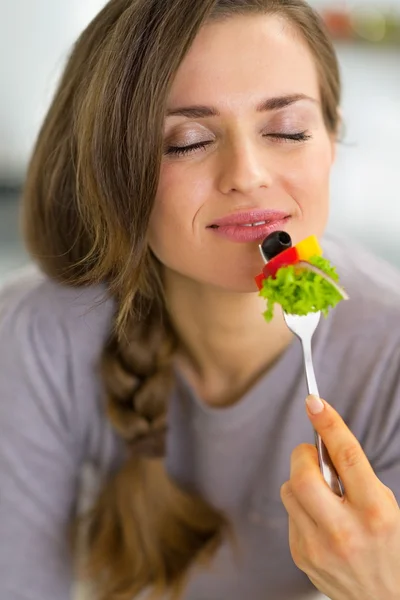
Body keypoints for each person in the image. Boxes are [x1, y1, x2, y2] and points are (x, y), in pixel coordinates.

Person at [0, 0, 399, 599]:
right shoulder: (35, 337)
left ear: (332, 137)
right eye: (186, 142)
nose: (247, 174)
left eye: (287, 131)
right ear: (112, 167)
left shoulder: (390, 354)